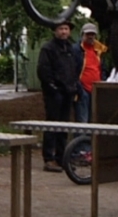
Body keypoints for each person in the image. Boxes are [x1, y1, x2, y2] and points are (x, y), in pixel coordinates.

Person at [36, 21, 81, 172]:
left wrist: (74, 86)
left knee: (64, 126)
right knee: (51, 125)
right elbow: (43, 70)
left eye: (66, 29)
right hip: (54, 93)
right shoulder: (48, 48)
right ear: (55, 31)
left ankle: (61, 158)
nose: (63, 32)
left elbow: (74, 68)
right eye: (61, 29)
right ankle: (49, 158)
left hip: (68, 92)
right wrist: (52, 88)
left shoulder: (70, 48)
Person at [73, 23, 106, 124]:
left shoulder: (98, 50)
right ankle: (80, 140)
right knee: (83, 120)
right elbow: (72, 70)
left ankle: (91, 140)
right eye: (88, 34)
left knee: (94, 120)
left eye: (93, 34)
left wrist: (103, 81)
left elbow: (102, 68)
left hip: (96, 89)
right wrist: (78, 87)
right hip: (82, 90)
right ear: (82, 35)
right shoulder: (76, 50)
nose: (90, 37)